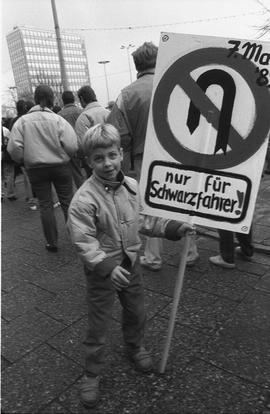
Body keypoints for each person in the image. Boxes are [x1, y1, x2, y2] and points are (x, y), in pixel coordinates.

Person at [67, 123, 194, 408]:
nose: (107, 163)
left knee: (136, 312)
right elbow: (83, 241)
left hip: (132, 265)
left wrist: (174, 227)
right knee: (98, 324)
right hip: (103, 273)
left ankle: (134, 346)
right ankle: (91, 372)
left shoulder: (133, 187)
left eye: (111, 155)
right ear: (89, 161)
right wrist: (106, 268)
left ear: (121, 153)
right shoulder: (83, 200)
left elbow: (147, 220)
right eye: (98, 158)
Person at [108, 41, 199, 270]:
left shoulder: (126, 95)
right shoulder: (178, 85)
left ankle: (153, 257)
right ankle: (190, 251)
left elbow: (119, 135)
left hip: (145, 159)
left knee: (151, 206)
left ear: (136, 64)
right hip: (180, 155)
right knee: (182, 202)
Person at [7, 84, 78, 252]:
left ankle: (52, 242)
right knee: (68, 202)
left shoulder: (23, 121)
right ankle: (77, 238)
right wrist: (66, 155)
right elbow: (72, 144)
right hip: (60, 166)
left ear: (35, 99)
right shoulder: (58, 119)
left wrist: (24, 159)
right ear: (52, 98)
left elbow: (13, 148)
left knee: (45, 205)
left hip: (36, 169)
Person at [9, 99, 38, 210]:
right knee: (33, 176)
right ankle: (34, 199)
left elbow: (13, 141)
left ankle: (31, 199)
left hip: (21, 153)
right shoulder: (28, 120)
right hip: (32, 151)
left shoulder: (14, 121)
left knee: (27, 177)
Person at [75, 85, 109, 178]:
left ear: (81, 99)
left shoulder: (83, 117)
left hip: (94, 163)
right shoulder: (108, 113)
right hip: (111, 159)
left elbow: (82, 145)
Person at [58, 90, 84, 188]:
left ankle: (82, 193)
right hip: (83, 143)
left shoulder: (59, 115)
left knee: (76, 173)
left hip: (70, 147)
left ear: (63, 101)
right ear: (73, 99)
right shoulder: (81, 111)